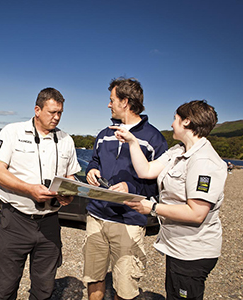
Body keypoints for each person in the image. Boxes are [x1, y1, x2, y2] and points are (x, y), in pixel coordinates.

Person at [115, 100, 227, 300]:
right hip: (178, 247)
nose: (171, 124)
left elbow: (197, 213)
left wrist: (153, 207)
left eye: (175, 119)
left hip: (193, 251)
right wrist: (132, 141)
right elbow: (146, 170)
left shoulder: (204, 161)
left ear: (187, 122)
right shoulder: (179, 150)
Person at [0, 87, 81, 300]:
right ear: (37, 110)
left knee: (44, 290)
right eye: (52, 112)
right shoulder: (12, 131)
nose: (56, 118)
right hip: (15, 222)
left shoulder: (66, 140)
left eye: (60, 113)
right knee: (4, 289)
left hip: (50, 223)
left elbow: (71, 178)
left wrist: (69, 194)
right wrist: (29, 189)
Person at [84, 77, 168, 300]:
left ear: (125, 102)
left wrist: (131, 186)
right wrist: (91, 170)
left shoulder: (155, 139)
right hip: (95, 216)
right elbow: (94, 161)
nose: (108, 104)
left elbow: (159, 184)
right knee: (94, 277)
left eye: (112, 100)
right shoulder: (104, 134)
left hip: (129, 221)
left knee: (125, 287)